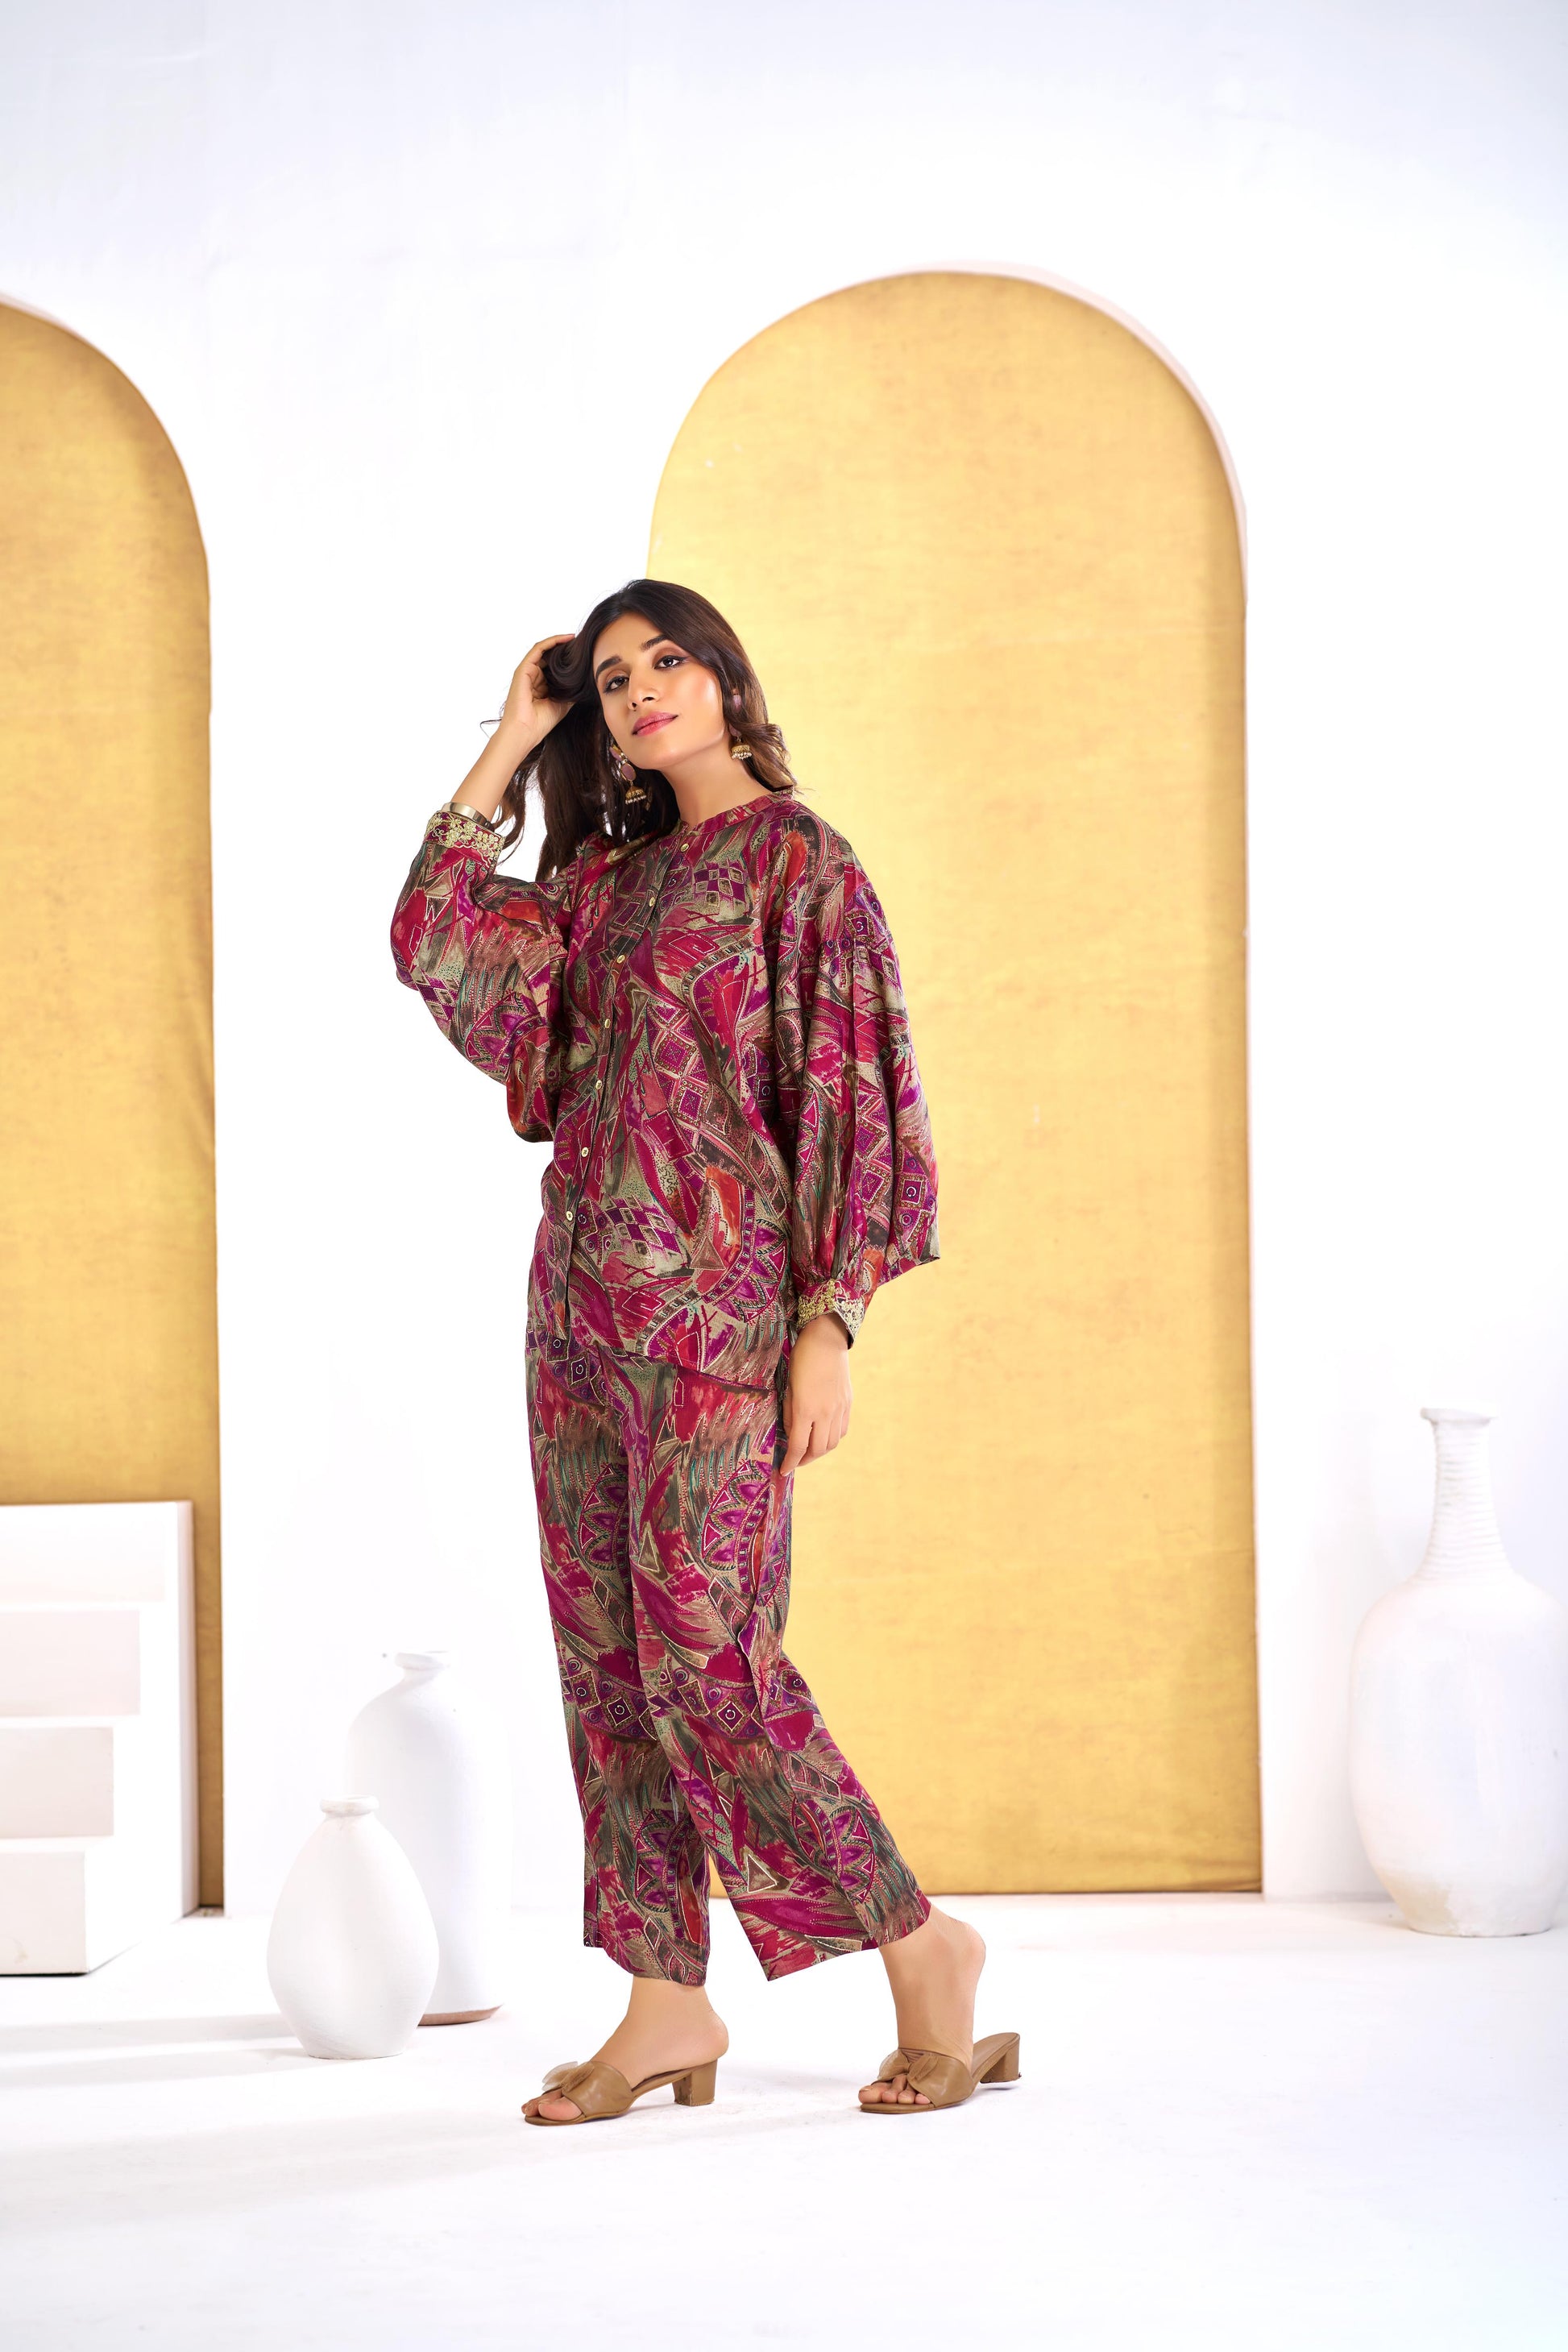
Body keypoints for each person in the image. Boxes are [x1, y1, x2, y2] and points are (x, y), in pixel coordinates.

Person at [391, 579, 1019, 2123]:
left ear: (727, 679)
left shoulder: (804, 865)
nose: (639, 693)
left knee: (707, 1658)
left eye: (664, 661)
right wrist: (510, 736)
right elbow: (433, 937)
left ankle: (925, 1951)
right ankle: (666, 2000)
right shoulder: (601, 886)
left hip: (723, 1329)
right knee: (609, 1666)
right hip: (577, 1316)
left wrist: (829, 1322)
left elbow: (855, 1100)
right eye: (611, 681)